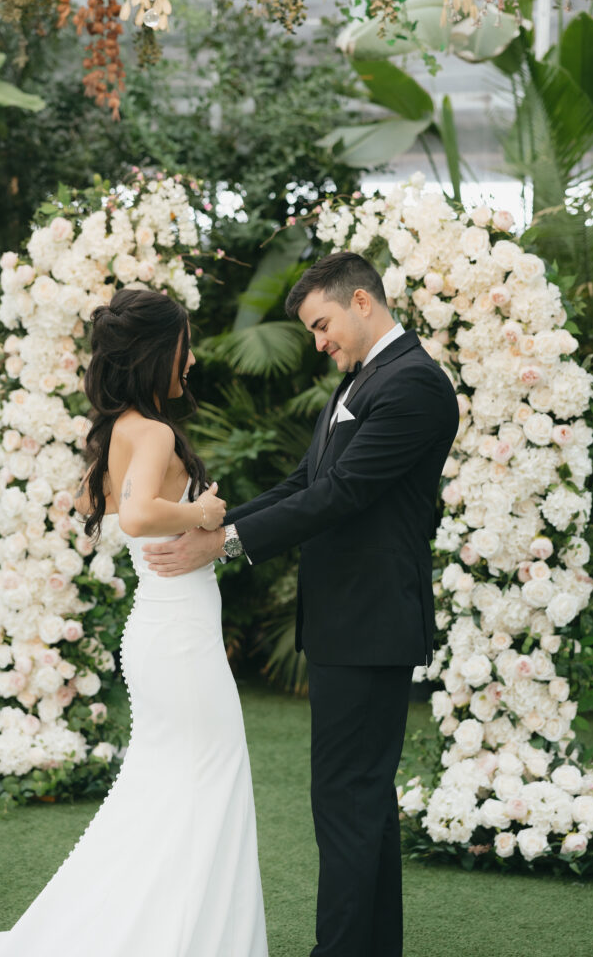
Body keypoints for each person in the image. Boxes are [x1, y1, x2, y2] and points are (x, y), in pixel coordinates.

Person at [143, 251, 460, 957]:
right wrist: (215, 528)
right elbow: (301, 481)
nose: (318, 343)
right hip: (351, 622)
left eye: (322, 325)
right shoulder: (366, 378)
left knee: (346, 803)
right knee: (362, 804)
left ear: (361, 302)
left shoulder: (411, 385)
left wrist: (221, 548)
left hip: (370, 620)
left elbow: (340, 495)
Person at [0, 287, 268, 957]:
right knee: (210, 778)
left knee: (166, 792)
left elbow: (99, 498)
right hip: (176, 639)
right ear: (157, 352)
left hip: (161, 632)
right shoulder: (148, 432)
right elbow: (142, 513)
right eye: (183, 347)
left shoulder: (120, 429)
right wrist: (205, 515)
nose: (192, 360)